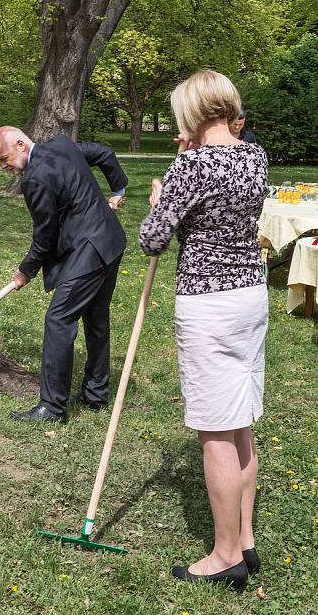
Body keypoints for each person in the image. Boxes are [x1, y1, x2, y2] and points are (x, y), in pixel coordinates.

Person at [138, 71, 268, 593]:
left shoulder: (190, 166)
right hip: (250, 297)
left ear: (189, 115)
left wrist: (158, 200)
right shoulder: (254, 157)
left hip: (210, 303)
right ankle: (246, 538)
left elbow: (152, 240)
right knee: (240, 422)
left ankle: (224, 554)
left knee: (216, 428)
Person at [0, 126, 128, 423]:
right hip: (110, 241)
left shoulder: (35, 179)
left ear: (20, 144)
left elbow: (45, 235)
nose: (4, 166)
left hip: (90, 252)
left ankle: (52, 408)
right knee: (96, 320)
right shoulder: (62, 146)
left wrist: (26, 271)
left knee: (59, 319)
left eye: (4, 158)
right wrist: (118, 189)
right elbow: (104, 153)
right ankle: (95, 395)